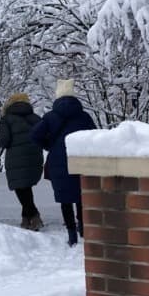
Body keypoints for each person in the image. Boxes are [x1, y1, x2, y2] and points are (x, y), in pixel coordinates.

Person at [31, 79, 96, 246]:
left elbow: (34, 136)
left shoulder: (50, 117)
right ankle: (84, 229)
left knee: (65, 199)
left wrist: (49, 146)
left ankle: (72, 235)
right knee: (81, 196)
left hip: (58, 163)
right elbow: (95, 137)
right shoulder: (84, 116)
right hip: (79, 160)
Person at [0, 93, 44, 231]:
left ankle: (34, 216)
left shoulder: (7, 119)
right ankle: (26, 218)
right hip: (35, 156)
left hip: (16, 158)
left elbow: (3, 142)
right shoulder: (36, 118)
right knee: (26, 187)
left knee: (21, 187)